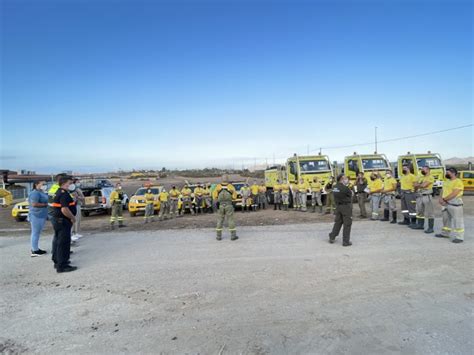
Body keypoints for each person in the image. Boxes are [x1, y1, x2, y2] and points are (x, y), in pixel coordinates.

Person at [50, 175, 77, 273]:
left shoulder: (59, 192)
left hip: (59, 220)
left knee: (58, 241)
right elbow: (64, 209)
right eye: (70, 183)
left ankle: (58, 261)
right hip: (63, 221)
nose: (71, 185)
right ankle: (62, 265)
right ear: (65, 183)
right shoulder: (64, 194)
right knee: (63, 243)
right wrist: (73, 218)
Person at [435, 167, 465, 243]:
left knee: (457, 220)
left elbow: (455, 193)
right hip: (445, 204)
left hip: (455, 203)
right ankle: (445, 233)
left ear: (454, 173)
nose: (446, 174)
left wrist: (444, 199)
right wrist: (440, 199)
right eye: (446, 172)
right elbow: (442, 190)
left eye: (448, 172)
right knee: (446, 219)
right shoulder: (446, 181)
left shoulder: (458, 182)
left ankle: (459, 237)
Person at [328, 174, 353, 247]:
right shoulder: (345, 188)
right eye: (345, 178)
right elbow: (350, 194)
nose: (346, 179)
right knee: (347, 224)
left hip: (338, 206)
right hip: (346, 207)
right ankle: (346, 241)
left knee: (338, 222)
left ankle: (332, 236)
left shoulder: (335, 187)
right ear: (341, 179)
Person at [28, 180, 49, 256]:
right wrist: (46, 204)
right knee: (35, 232)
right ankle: (34, 250)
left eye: (45, 184)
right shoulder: (35, 193)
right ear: (36, 184)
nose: (44, 185)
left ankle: (35, 248)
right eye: (42, 184)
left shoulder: (41, 192)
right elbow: (34, 204)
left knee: (37, 232)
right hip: (36, 215)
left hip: (41, 214)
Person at [411, 166, 435, 232]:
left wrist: (418, 185)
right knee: (419, 211)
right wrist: (418, 185)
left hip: (426, 196)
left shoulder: (430, 177)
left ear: (428, 170)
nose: (422, 171)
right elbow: (415, 184)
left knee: (430, 212)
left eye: (423, 169)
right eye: (421, 169)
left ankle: (430, 228)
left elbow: (424, 185)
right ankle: (420, 225)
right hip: (419, 196)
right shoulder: (421, 177)